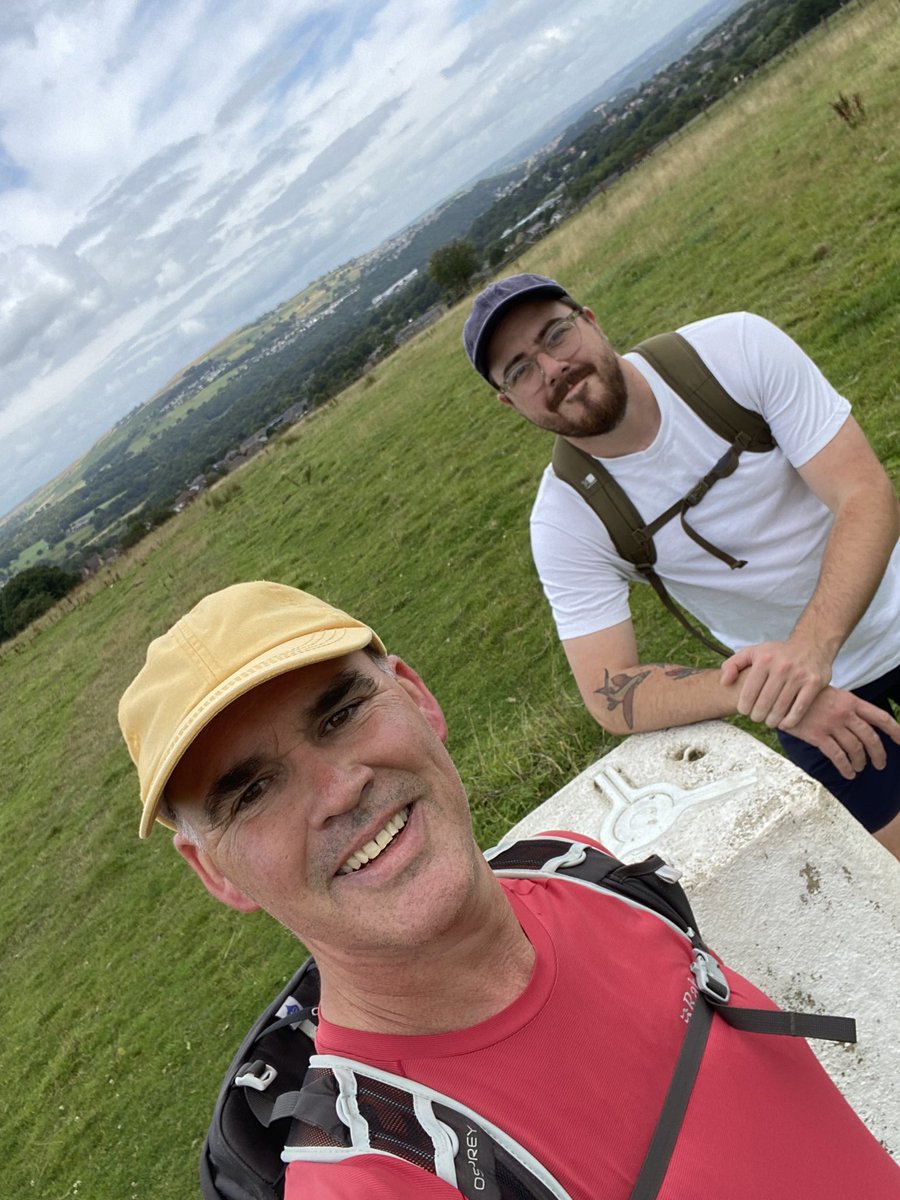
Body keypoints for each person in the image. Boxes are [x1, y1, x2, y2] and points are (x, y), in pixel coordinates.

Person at [118, 580, 900, 1198]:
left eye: (343, 713)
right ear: (215, 871)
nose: (338, 791)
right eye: (251, 792)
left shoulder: (580, 867)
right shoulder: (376, 1183)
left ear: (419, 698)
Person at [462, 274, 900, 855]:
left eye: (556, 335)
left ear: (591, 321)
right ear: (508, 401)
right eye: (519, 370)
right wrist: (764, 693)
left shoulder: (735, 351)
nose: (551, 368)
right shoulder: (565, 519)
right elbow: (607, 690)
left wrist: (808, 655)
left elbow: (864, 495)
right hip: (801, 707)